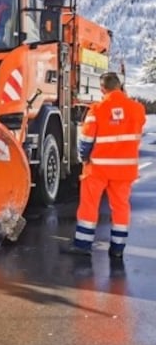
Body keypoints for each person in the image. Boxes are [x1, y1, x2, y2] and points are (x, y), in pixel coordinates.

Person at [62, 72, 146, 258]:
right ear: (120, 86)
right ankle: (117, 248)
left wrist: (84, 158)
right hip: (125, 169)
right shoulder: (137, 109)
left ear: (102, 89)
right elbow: (137, 126)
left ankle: (83, 245)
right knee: (121, 207)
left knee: (89, 206)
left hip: (98, 169)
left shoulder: (97, 110)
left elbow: (85, 141)